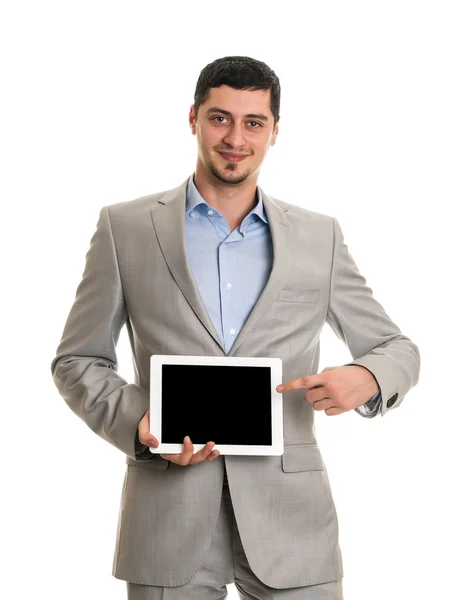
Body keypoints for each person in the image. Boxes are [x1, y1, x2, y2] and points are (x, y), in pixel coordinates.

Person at [50, 55, 421, 600]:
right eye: (220, 118)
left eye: (254, 123)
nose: (235, 138)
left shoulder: (319, 237)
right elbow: (77, 360)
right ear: (194, 118)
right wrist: (139, 426)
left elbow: (397, 347)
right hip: (167, 519)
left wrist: (367, 375)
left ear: (274, 132)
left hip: (292, 523)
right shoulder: (124, 227)